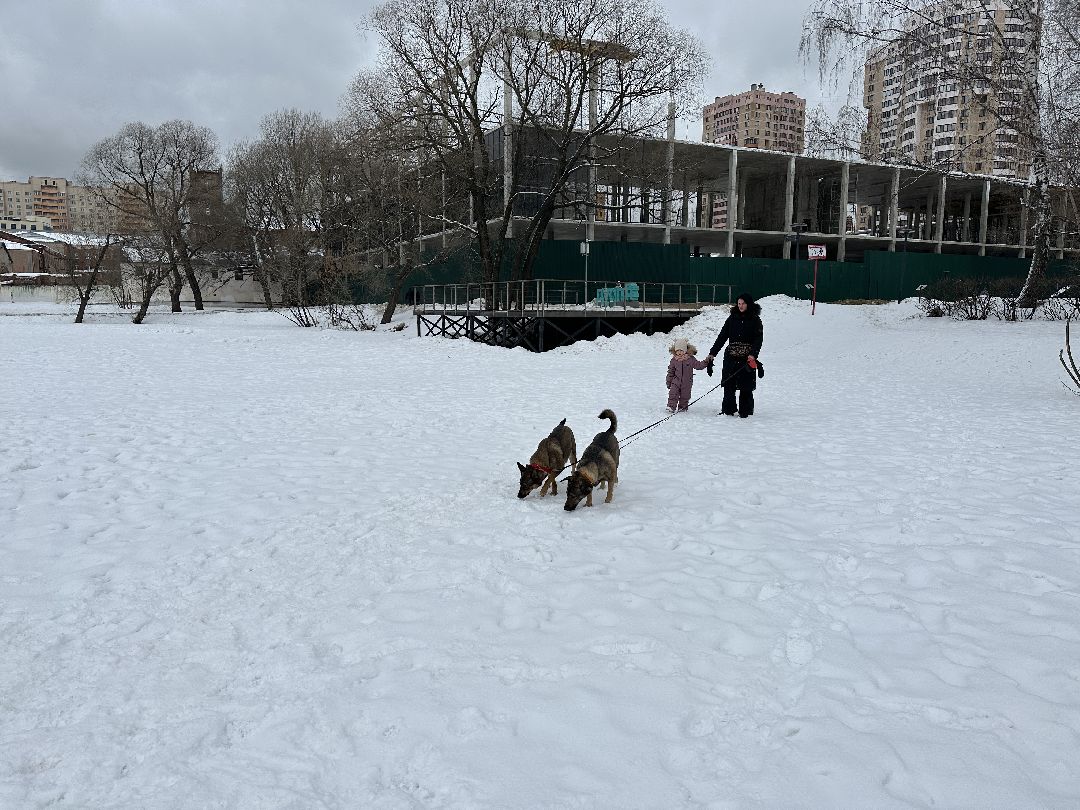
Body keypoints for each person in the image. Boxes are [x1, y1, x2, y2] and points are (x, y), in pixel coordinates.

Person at [706, 293, 763, 418]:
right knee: (728, 383)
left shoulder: (755, 320)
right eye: (739, 303)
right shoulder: (732, 318)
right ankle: (728, 409)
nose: (741, 306)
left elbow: (758, 339)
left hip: (747, 358)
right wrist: (712, 353)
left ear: (749, 304)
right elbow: (722, 336)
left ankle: (745, 411)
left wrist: (753, 354)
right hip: (731, 357)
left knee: (746, 386)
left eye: (743, 303)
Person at [665, 338, 709, 413]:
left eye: (681, 350)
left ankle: (682, 407)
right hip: (676, 381)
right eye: (677, 350)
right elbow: (671, 372)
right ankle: (671, 406)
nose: (679, 352)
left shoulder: (690, 359)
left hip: (687, 382)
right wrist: (669, 381)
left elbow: (698, 365)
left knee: (685, 396)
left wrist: (705, 362)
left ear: (685, 350)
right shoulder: (674, 360)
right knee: (673, 394)